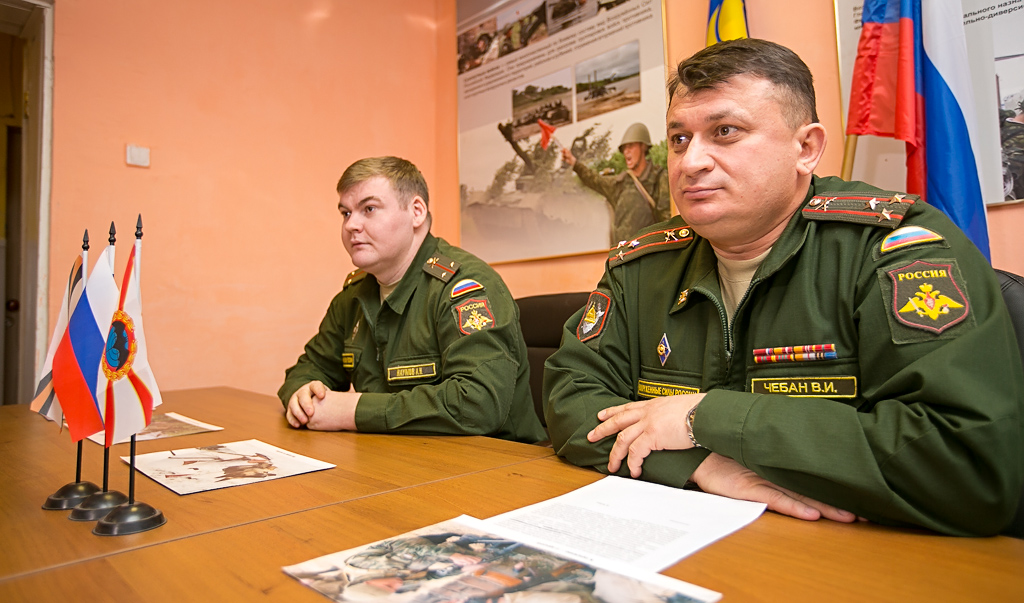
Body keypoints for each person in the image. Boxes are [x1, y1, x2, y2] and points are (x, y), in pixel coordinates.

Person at [543, 39, 1024, 536]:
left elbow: (968, 467)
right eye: (681, 138)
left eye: (725, 132)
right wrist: (698, 466)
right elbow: (571, 398)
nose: (690, 163)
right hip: (682, 534)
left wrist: (704, 417)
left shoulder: (892, 248)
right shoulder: (641, 263)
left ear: (806, 148)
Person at [280, 156, 546, 443]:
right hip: (398, 461)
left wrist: (352, 410)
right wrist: (302, 394)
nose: (351, 225)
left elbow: (478, 402)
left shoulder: (463, 286)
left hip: (495, 468)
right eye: (345, 213)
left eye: (369, 209)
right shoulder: (354, 295)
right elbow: (310, 368)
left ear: (416, 212)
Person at [562, 123, 671, 244]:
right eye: (624, 148)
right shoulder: (621, 183)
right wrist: (574, 163)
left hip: (650, 254)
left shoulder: (659, 178)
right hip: (623, 256)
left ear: (643, 147)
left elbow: (667, 221)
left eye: (631, 146)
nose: (626, 152)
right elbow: (595, 180)